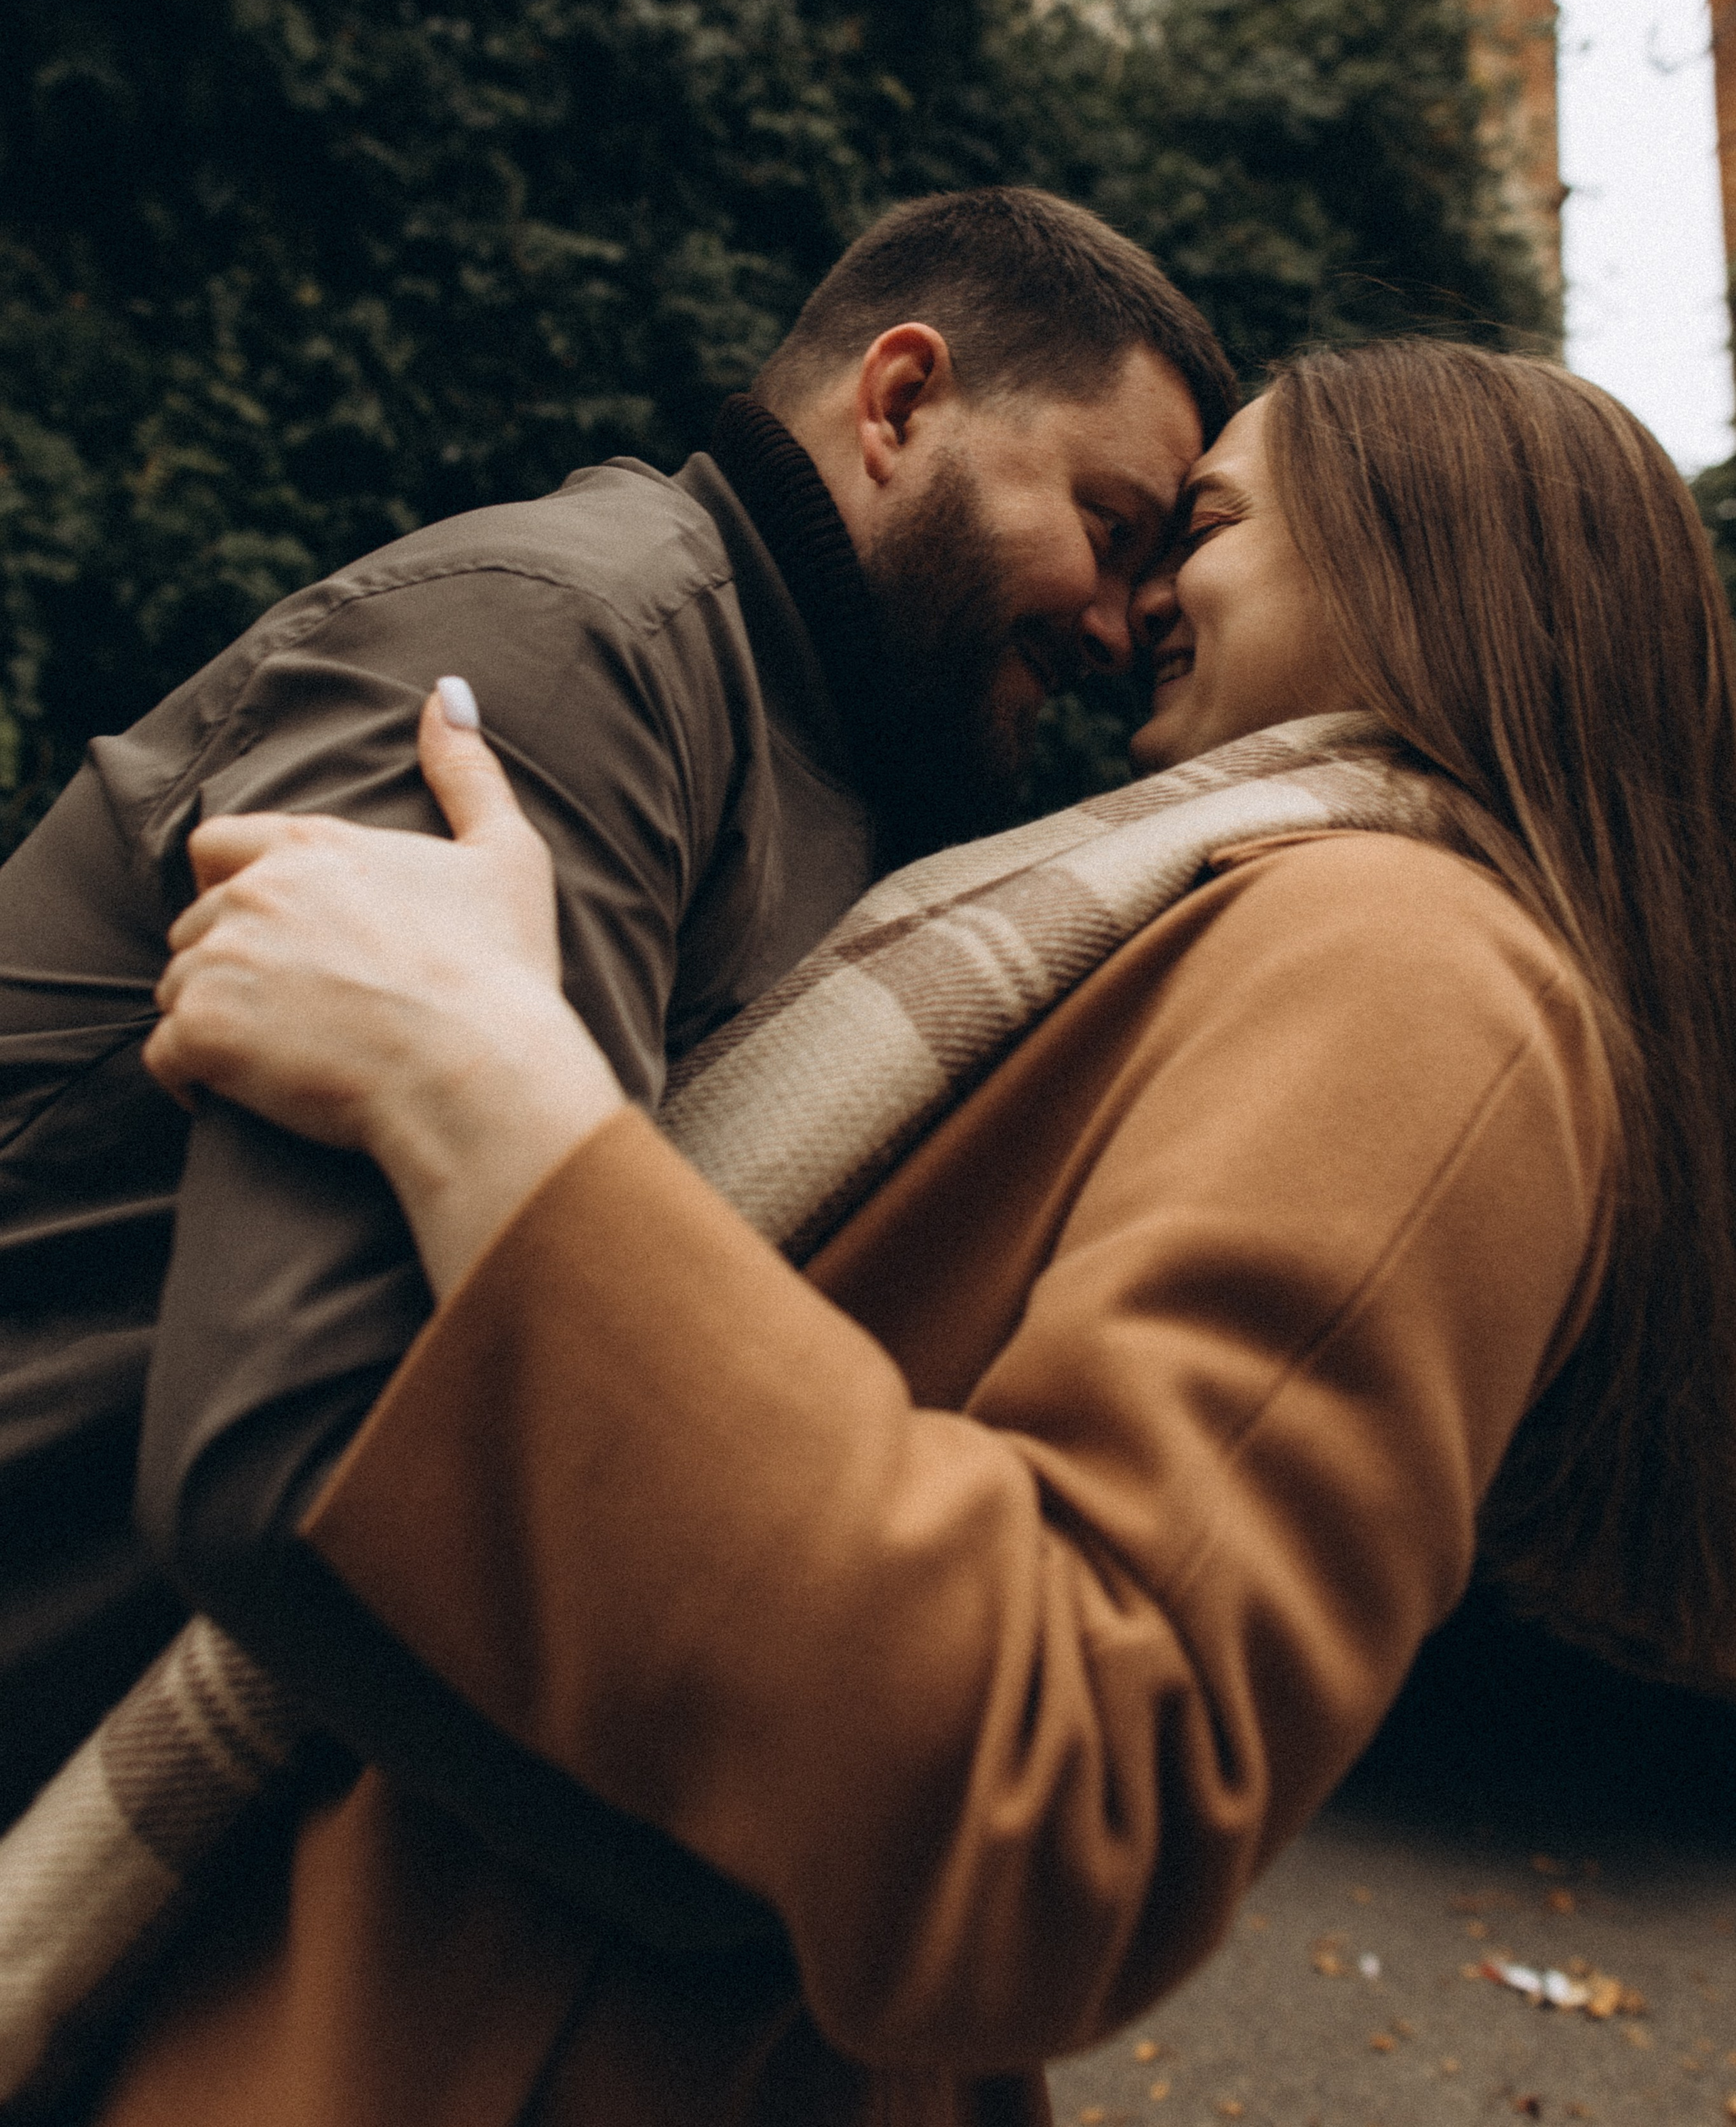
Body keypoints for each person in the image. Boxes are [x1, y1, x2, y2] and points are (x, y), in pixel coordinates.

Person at [99, 342, 1736, 2126]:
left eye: (1205, 525)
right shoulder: (1281, 917)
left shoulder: (1421, 962)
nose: (1149, 600)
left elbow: (1073, 1800)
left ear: (1428, 545)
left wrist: (487, 1088)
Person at [0, 187, 1230, 1836]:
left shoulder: (809, 749)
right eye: (1110, 524)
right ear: (901, 399)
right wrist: (780, 1892)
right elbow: (321, 1450)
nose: (1111, 623)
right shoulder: (575, 642)